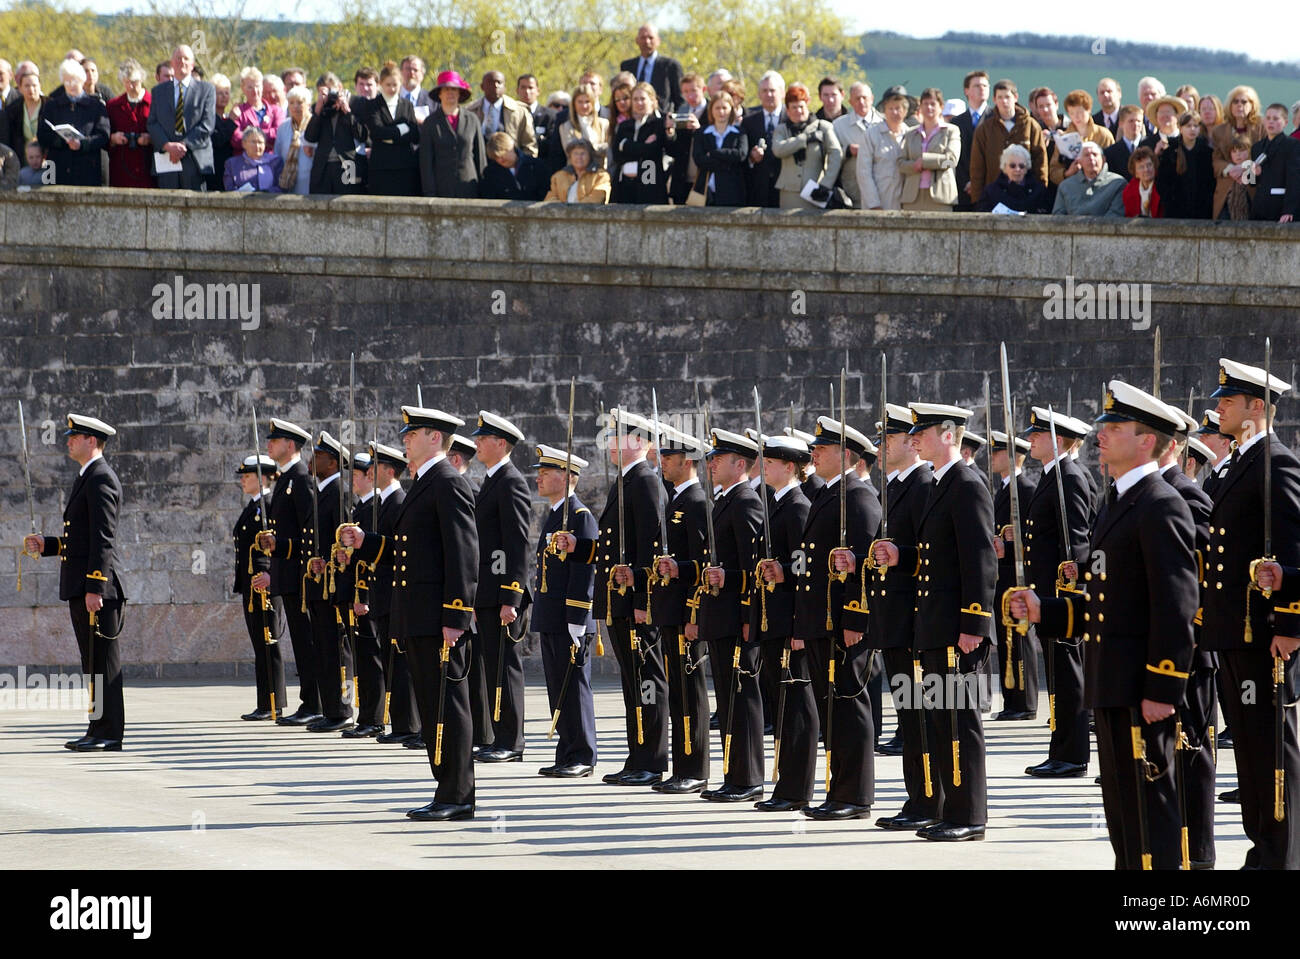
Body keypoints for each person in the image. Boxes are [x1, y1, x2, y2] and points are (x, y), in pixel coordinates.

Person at [1010, 380, 1199, 870]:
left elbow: (1176, 607)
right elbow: (1102, 603)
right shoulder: (1115, 502)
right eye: (1103, 428)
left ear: (1146, 440)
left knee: (1149, 810)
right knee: (1122, 813)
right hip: (1110, 682)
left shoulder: (1160, 504)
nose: (1102, 436)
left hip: (1142, 688)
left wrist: (1163, 686)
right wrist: (1045, 610)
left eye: (1114, 428)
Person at [341, 407, 479, 822]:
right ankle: (445, 788)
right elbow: (407, 551)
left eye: (412, 433)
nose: (404, 440)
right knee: (432, 704)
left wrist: (456, 615)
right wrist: (366, 542)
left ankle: (458, 793)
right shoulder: (425, 482)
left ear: (434, 438)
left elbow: (463, 553)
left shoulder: (448, 482)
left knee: (448, 706)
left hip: (438, 619)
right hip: (416, 617)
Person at [873, 403, 996, 842]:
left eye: (921, 432)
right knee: (942, 722)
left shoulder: (966, 483)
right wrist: (901, 556)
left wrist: (974, 624)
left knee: (961, 723)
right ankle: (950, 808)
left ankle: (969, 815)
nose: (914, 438)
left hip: (956, 631)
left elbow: (980, 559)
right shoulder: (943, 483)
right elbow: (937, 559)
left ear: (947, 434)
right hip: (936, 627)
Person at [552, 408, 669, 788]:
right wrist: (580, 546)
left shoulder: (646, 481)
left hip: (634, 601)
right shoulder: (626, 481)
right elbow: (611, 548)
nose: (611, 444)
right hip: (617, 599)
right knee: (632, 681)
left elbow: (651, 547)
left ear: (639, 442)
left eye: (618, 437)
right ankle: (637, 754)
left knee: (647, 679)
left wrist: (641, 600)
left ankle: (651, 759)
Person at [24, 415, 127, 752]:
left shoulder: (101, 479)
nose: (68, 441)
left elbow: (103, 539)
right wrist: (49, 545)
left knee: (104, 662)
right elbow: (80, 540)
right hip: (83, 587)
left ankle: (110, 732)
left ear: (92, 441)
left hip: (96, 590)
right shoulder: (87, 478)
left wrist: (95, 587)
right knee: (91, 661)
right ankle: (97, 727)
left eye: (75, 436)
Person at [689, 429, 765, 803]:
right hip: (719, 614)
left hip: (737, 616)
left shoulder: (746, 501)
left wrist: (733, 584)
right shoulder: (724, 500)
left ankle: (748, 776)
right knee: (728, 698)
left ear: (740, 464)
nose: (711, 463)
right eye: (711, 457)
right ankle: (733, 774)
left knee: (742, 696)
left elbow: (754, 567)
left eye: (719, 458)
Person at [1020, 408, 1095, 779]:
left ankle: (1073, 753)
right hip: (1046, 595)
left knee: (1068, 677)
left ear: (1059, 441)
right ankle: (1060, 748)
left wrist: (1075, 576)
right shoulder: (1052, 476)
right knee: (1058, 677)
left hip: (1062, 595)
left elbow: (1078, 537)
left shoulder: (1070, 478)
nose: (1030, 439)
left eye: (1037, 435)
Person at [647, 428, 710, 793]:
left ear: (687, 461)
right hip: (668, 609)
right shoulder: (677, 500)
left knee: (691, 690)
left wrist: (692, 615)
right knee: (678, 691)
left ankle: (695, 766)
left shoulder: (697, 502)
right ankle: (682, 764)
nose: (663, 463)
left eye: (668, 458)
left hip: (685, 611)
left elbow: (701, 566)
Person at [468, 412, 533, 763]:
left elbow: (517, 543)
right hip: (488, 595)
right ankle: (498, 736)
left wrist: (512, 596)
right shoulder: (492, 481)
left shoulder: (511, 482)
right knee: (492, 666)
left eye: (483, 438)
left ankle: (512, 740)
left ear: (501, 443)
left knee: (505, 667)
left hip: (503, 596)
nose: (477, 443)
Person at [532, 445, 599, 778]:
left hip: (569, 617)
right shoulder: (555, 514)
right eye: (540, 472)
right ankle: (566, 750)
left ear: (568, 477)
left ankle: (582, 754)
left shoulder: (579, 516)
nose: (539, 478)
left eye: (547, 473)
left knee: (574, 686)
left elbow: (584, 571)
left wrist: (577, 619)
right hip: (551, 614)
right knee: (558, 686)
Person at [231, 454, 288, 721]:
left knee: (269, 641)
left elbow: (272, 547)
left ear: (263, 477)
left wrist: (269, 574)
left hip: (263, 585)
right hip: (251, 585)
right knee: (260, 643)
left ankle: (273, 702)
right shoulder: (253, 507)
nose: (243, 480)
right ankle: (265, 700)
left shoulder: (268, 505)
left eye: (248, 475)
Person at [988, 430, 1038, 720]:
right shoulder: (1004, 490)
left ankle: (1025, 701)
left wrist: (1008, 543)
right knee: (1009, 638)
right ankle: (1013, 701)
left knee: (1020, 638)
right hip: (1002, 575)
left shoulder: (1025, 489)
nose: (991, 458)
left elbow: (1030, 536)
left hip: (1016, 575)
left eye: (996, 453)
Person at [147, 44, 215, 191]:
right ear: (172, 63)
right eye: (178, 58)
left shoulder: (206, 90)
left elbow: (207, 125)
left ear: (192, 64)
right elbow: (152, 123)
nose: (182, 62)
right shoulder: (158, 91)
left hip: (194, 160)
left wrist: (183, 146)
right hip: (166, 160)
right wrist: (168, 146)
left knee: (195, 210)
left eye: (186, 58)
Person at [969, 78, 1047, 204]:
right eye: (999, 97)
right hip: (994, 197)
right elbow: (977, 168)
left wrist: (1041, 195)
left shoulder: (1031, 126)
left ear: (1015, 97)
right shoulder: (984, 129)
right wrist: (978, 201)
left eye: (1007, 97)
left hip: (1027, 197)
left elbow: (1041, 164)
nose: (1004, 101)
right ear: (994, 100)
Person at [37, 59, 110, 187]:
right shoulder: (52, 106)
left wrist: (82, 143)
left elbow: (103, 135)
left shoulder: (96, 106)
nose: (71, 84)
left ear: (82, 80)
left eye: (74, 80)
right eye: (67, 81)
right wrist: (62, 141)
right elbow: (42, 135)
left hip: (87, 169)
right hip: (59, 167)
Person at [418, 69, 484, 198]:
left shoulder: (472, 119)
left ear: (460, 93)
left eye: (454, 89)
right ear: (439, 94)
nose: (450, 93)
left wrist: (483, 188)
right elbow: (426, 162)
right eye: (446, 89)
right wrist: (429, 193)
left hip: (469, 187)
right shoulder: (430, 123)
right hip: (441, 188)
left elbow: (480, 158)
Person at [357, 61, 420, 196]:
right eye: (388, 85)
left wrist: (389, 136)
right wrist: (402, 129)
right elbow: (377, 132)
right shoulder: (373, 105)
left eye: (395, 85)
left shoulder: (407, 105)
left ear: (401, 84)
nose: (392, 88)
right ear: (381, 84)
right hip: (382, 167)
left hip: (405, 166)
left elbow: (415, 134)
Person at [897, 86, 960, 212]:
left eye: (933, 104)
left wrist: (925, 162)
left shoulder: (951, 131)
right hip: (913, 197)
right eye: (925, 104)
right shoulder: (910, 134)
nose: (929, 108)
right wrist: (915, 165)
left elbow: (951, 161)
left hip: (940, 196)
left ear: (941, 107)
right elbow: (900, 163)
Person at [610, 81, 671, 205]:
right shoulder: (624, 126)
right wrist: (643, 147)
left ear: (652, 100)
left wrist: (626, 146)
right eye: (635, 99)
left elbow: (653, 151)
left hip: (649, 179)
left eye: (643, 99)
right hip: (624, 182)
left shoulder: (659, 124)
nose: (639, 103)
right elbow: (617, 155)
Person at [305, 71, 365, 194]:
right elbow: (310, 137)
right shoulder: (319, 107)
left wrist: (347, 111)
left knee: (348, 203)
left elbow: (362, 135)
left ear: (340, 87)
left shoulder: (356, 103)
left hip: (348, 164)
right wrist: (317, 111)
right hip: (323, 166)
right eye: (324, 91)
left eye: (331, 90)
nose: (330, 95)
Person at [1210, 86, 1264, 220]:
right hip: (1226, 193)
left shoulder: (1261, 128)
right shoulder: (1219, 131)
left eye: (1244, 102)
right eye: (1235, 101)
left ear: (1252, 105)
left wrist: (1245, 169)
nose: (1239, 105)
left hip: (1252, 190)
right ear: (1230, 105)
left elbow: (1265, 156)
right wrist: (1231, 169)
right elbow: (1216, 161)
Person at [689, 91, 747, 206]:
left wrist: (714, 153)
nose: (721, 112)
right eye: (717, 108)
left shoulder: (739, 132)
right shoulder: (702, 133)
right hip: (705, 190)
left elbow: (740, 155)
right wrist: (727, 162)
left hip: (732, 191)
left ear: (731, 109)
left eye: (725, 108)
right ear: (711, 110)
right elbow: (699, 159)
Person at [857, 84, 909, 210]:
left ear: (905, 111)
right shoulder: (871, 135)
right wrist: (874, 204)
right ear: (884, 110)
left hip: (905, 205)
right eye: (890, 108)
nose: (895, 112)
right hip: (878, 204)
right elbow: (863, 173)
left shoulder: (911, 135)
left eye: (898, 108)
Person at [1154, 112, 1213, 219]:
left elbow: (1210, 183)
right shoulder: (1171, 152)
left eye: (1195, 126)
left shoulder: (1207, 153)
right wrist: (1170, 202)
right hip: (1175, 212)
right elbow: (1162, 182)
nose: (1192, 129)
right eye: (1188, 126)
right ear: (1180, 128)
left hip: (1202, 212)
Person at [1049, 90, 1114, 187]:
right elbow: (1053, 170)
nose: (1076, 117)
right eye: (1072, 113)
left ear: (1088, 110)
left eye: (1080, 112)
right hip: (1073, 187)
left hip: (1101, 186)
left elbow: (1113, 163)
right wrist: (1067, 173)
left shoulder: (1103, 135)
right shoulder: (1063, 138)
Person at [832, 81, 881, 209]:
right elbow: (830, 158)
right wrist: (848, 151)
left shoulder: (885, 123)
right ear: (850, 102)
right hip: (853, 192)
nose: (861, 102)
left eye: (864, 98)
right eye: (857, 99)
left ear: (872, 99)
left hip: (882, 189)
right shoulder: (838, 126)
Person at [740, 70, 785, 208]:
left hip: (785, 188)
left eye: (772, 90)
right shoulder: (749, 122)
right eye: (764, 91)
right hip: (758, 189)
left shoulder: (791, 119)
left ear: (782, 93)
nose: (769, 95)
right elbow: (743, 154)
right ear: (759, 94)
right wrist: (752, 158)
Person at [106, 59, 152, 189]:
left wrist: (150, 139)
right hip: (120, 169)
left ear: (142, 79)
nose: (131, 86)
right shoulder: (113, 106)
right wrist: (113, 138)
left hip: (147, 167)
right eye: (127, 82)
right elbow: (104, 135)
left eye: (134, 82)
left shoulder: (154, 104)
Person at [468, 70, 537, 158]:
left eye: (499, 82)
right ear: (482, 87)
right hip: (479, 163)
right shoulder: (470, 111)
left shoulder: (519, 111)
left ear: (505, 87)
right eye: (491, 82)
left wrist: (522, 167)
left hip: (510, 165)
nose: (496, 85)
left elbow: (529, 145)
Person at [1250, 103, 1300, 223]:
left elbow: (1295, 180)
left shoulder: (1293, 145)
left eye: (1276, 119)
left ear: (1285, 122)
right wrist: (1253, 174)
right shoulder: (1256, 147)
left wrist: (1289, 210)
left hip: (1280, 208)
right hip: (1259, 208)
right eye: (1268, 118)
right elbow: (1251, 183)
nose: (1271, 122)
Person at [620, 22, 683, 113]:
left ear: (658, 41)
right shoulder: (627, 66)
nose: (647, 41)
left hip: (661, 121)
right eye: (643, 38)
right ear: (637, 40)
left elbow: (680, 100)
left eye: (651, 38)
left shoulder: (670, 66)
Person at [1051, 142, 1125, 215]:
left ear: (1103, 159)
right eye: (1086, 155)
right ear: (1079, 160)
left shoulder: (1117, 183)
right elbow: (1058, 216)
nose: (1091, 158)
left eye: (1095, 155)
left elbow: (1116, 215)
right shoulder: (1065, 186)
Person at [952, 70, 990, 210]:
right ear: (966, 90)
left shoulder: (995, 120)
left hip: (989, 191)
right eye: (977, 86)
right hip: (963, 192)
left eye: (985, 86)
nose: (982, 89)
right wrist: (967, 183)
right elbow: (956, 159)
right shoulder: (956, 123)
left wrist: (979, 184)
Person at [976, 143, 1050, 213]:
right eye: (1012, 166)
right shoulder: (991, 191)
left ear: (1027, 168)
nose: (1017, 169)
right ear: (1004, 167)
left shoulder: (1039, 191)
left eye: (1021, 166)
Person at [554, 82, 608, 171]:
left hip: (599, 174)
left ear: (593, 103)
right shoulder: (566, 127)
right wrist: (597, 148)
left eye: (587, 102)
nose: (584, 106)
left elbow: (607, 149)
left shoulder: (604, 124)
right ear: (574, 104)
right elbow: (571, 153)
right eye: (580, 102)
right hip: (575, 175)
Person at [543, 137, 609, 202]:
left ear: (590, 156)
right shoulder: (558, 176)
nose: (579, 157)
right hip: (562, 212)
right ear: (570, 157)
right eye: (575, 153)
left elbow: (597, 198)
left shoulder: (601, 176)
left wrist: (574, 210)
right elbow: (550, 198)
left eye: (582, 153)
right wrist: (563, 209)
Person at [274, 84, 313, 194]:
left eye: (300, 103)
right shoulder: (283, 127)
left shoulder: (316, 125)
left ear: (308, 104)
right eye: (291, 103)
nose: (295, 106)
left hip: (311, 182)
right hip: (288, 182)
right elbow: (277, 155)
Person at [222, 126, 283, 191]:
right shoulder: (232, 164)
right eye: (253, 142)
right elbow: (229, 189)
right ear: (243, 144)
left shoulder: (275, 162)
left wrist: (264, 193)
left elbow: (281, 187)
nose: (257, 146)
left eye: (260, 142)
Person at [516, 73, 556, 169]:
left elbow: (552, 145)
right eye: (523, 87)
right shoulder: (511, 115)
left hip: (543, 168)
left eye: (531, 87)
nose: (527, 91)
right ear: (517, 91)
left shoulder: (550, 116)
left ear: (538, 91)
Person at [206, 73, 236, 191]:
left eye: (226, 93)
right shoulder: (208, 117)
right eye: (220, 93)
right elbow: (217, 140)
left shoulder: (227, 116)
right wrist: (231, 122)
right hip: (215, 168)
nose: (224, 96)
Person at [6, 69, 44, 155]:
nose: (31, 89)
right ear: (20, 88)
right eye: (27, 86)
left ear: (40, 86)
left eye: (34, 85)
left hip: (47, 158)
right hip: (23, 158)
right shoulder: (14, 109)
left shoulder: (49, 106)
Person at [1103, 104, 1146, 180]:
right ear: (1121, 123)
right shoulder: (1111, 153)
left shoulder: (1150, 146)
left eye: (1139, 121)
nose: (1135, 124)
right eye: (1131, 121)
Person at [1122, 146, 1161, 217]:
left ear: (1154, 166)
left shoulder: (1163, 186)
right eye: (1141, 167)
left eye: (1149, 165)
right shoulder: (1129, 191)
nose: (1146, 169)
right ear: (1135, 173)